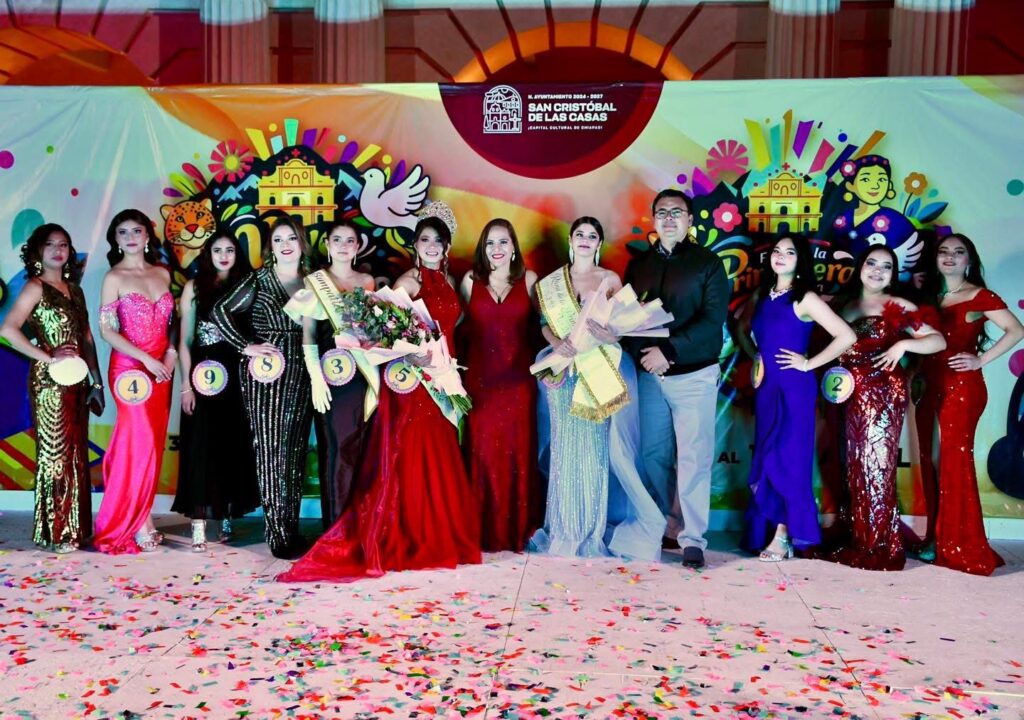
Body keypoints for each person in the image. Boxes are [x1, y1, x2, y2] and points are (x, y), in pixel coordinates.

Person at [279, 207, 482, 581]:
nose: (432, 246)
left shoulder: (451, 280)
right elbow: (386, 334)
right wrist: (414, 354)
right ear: (414, 245)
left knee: (439, 453)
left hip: (442, 377)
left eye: (438, 241)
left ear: (447, 246)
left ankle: (439, 530)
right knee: (412, 455)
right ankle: (410, 533)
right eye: (425, 240)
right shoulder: (407, 281)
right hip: (413, 380)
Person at [531, 216, 666, 561]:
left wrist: (611, 335)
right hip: (563, 372)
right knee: (565, 451)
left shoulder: (610, 278)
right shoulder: (551, 283)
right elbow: (544, 324)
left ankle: (590, 530)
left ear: (599, 243)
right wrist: (557, 343)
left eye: (592, 235)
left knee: (593, 452)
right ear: (570, 240)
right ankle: (563, 529)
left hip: (596, 370)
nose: (585, 240)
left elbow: (622, 328)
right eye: (580, 234)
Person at [622, 190, 730, 568]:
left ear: (689, 220)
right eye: (662, 212)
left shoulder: (708, 264)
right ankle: (667, 523)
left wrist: (669, 351)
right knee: (654, 454)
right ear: (653, 219)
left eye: (677, 212)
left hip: (694, 375)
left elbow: (713, 321)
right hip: (650, 377)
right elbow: (626, 320)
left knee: (694, 457)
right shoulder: (639, 266)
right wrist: (642, 354)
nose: (669, 218)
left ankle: (693, 538)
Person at [736, 235, 856, 561]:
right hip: (767, 388)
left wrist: (808, 363)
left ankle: (784, 534)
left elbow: (846, 335)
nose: (780, 256)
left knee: (788, 460)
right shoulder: (762, 295)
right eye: (776, 251)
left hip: (794, 389)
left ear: (800, 261)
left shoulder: (806, 299)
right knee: (766, 456)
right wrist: (757, 356)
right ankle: (766, 530)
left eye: (789, 252)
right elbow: (744, 331)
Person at [827, 246, 945, 571]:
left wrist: (904, 344)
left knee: (876, 467)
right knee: (853, 467)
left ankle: (879, 544)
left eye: (886, 266)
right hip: (846, 395)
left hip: (881, 392)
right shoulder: (845, 304)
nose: (877, 271)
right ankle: (858, 536)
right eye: (871, 263)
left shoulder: (899, 305)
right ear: (860, 266)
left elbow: (938, 340)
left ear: (894, 275)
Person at [915, 233, 1023, 575]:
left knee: (954, 463)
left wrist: (980, 360)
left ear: (969, 260)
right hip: (930, 385)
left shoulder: (979, 295)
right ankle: (937, 536)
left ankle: (957, 542)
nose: (950, 256)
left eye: (958, 252)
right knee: (933, 461)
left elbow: (1016, 330)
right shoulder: (929, 298)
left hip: (961, 388)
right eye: (944, 251)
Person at [211, 216, 314, 559]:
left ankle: (290, 528)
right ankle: (277, 536)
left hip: (302, 369)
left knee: (294, 449)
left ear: (302, 243)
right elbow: (220, 311)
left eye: (291, 238)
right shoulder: (259, 279)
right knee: (270, 449)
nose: (285, 245)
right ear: (270, 246)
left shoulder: (314, 281)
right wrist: (246, 345)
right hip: (267, 374)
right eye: (278, 239)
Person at [0, 224, 104, 553]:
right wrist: (48, 356)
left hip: (78, 380)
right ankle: (56, 532)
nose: (58, 250)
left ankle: (76, 529)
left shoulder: (75, 289)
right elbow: (8, 329)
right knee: (55, 454)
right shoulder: (35, 286)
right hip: (49, 383)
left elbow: (86, 338)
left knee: (76, 453)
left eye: (64, 244)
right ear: (38, 251)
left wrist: (97, 381)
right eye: (50, 244)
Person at [93, 209, 175, 554]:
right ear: (115, 239)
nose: (130, 237)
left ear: (147, 236)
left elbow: (172, 324)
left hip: (162, 369)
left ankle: (142, 510)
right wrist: (146, 360)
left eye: (136, 230)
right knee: (136, 441)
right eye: (123, 232)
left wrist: (169, 356)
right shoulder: (113, 277)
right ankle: (139, 522)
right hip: (130, 368)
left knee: (153, 441)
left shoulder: (163, 273)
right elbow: (107, 331)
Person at [172, 230, 259, 552]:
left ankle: (226, 514)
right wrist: (186, 385)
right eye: (217, 250)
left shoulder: (248, 285)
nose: (223, 256)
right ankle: (198, 522)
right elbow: (185, 340)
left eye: (230, 250)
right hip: (203, 377)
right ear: (207, 254)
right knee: (200, 447)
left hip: (238, 377)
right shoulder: (194, 287)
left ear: (238, 254)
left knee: (231, 447)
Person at [460, 218, 541, 552]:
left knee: (517, 455)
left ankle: (517, 531)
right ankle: (482, 532)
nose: (496, 249)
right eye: (490, 243)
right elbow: (453, 327)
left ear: (513, 247)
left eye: (503, 242)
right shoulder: (469, 281)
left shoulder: (530, 280)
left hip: (520, 383)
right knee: (481, 455)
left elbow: (547, 326)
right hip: (479, 384)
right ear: (483, 248)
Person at [289, 219, 376, 528]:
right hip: (329, 379)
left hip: (362, 377)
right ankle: (336, 527)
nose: (343, 246)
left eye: (349, 240)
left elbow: (373, 332)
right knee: (335, 448)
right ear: (327, 244)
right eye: (337, 239)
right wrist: (315, 378)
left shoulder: (367, 282)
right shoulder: (315, 282)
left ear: (358, 246)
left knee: (361, 448)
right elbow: (309, 334)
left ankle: (361, 524)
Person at [829, 155, 922, 279]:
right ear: (851, 186)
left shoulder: (898, 222)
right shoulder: (843, 219)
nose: (875, 186)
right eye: (865, 179)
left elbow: (905, 268)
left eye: (881, 179)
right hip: (840, 283)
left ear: (889, 185)